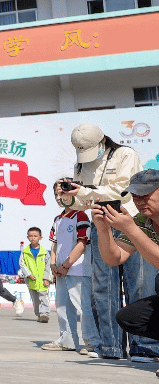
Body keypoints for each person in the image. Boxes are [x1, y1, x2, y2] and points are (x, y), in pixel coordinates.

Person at [62, 124, 149, 361]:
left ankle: (144, 348)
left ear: (102, 142)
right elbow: (82, 204)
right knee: (103, 288)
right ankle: (110, 347)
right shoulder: (81, 164)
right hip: (101, 224)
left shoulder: (125, 155)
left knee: (139, 286)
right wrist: (68, 198)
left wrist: (85, 191)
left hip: (131, 222)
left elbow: (123, 190)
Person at [95, 169, 159, 368]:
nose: (139, 201)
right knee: (129, 318)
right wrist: (103, 229)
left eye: (145, 195)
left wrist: (130, 229)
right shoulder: (142, 221)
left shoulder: (135, 224)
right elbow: (114, 258)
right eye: (136, 196)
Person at [46, 184, 91, 353]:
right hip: (61, 271)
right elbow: (54, 246)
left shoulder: (80, 216)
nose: (59, 198)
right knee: (62, 306)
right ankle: (67, 339)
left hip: (78, 269)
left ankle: (91, 342)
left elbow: (82, 243)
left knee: (83, 307)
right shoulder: (58, 219)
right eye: (56, 195)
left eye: (62, 194)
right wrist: (54, 266)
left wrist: (66, 265)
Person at [18, 227, 53, 323]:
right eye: (30, 236)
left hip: (42, 280)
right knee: (35, 298)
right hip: (31, 280)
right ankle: (38, 314)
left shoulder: (45, 252)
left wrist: (47, 278)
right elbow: (22, 264)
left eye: (35, 236)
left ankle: (44, 314)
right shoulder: (25, 251)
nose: (33, 238)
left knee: (44, 296)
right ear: (27, 237)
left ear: (40, 238)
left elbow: (49, 266)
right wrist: (28, 274)